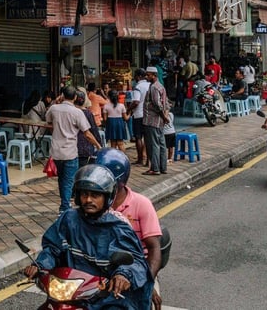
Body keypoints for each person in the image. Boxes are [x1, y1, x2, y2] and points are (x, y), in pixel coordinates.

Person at [23, 165, 153, 310]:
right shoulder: (68, 219)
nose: (89, 200)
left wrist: (123, 275)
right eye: (84, 194)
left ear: (107, 197)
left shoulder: (118, 227)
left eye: (95, 195)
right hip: (72, 295)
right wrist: (39, 265)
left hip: (107, 297)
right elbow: (53, 248)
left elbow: (135, 261)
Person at [95, 149, 164, 310]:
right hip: (101, 268)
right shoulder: (93, 204)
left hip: (139, 269)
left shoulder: (142, 204)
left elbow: (154, 248)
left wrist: (147, 282)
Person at [47, 86, 103, 212]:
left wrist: (57, 102)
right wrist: (98, 146)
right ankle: (65, 207)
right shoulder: (77, 112)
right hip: (70, 152)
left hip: (56, 152)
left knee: (62, 178)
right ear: (76, 97)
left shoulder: (54, 108)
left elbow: (48, 120)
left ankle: (64, 203)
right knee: (68, 180)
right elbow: (87, 133)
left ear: (62, 95)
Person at [142, 67, 170, 176]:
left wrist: (163, 116)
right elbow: (166, 104)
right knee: (161, 144)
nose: (146, 77)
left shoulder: (154, 87)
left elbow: (157, 105)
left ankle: (155, 168)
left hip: (152, 121)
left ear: (154, 75)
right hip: (159, 122)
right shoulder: (161, 86)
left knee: (153, 145)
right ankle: (163, 167)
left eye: (148, 75)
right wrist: (165, 117)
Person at [131, 69, 150, 167]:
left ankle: (140, 159)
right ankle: (147, 159)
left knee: (138, 137)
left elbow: (136, 102)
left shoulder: (138, 87)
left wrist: (128, 109)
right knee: (147, 137)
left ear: (138, 76)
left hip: (138, 114)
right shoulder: (149, 85)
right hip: (148, 114)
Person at [75, 90, 99, 166]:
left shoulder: (71, 112)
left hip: (73, 146)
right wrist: (98, 144)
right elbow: (94, 130)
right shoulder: (88, 113)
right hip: (85, 146)